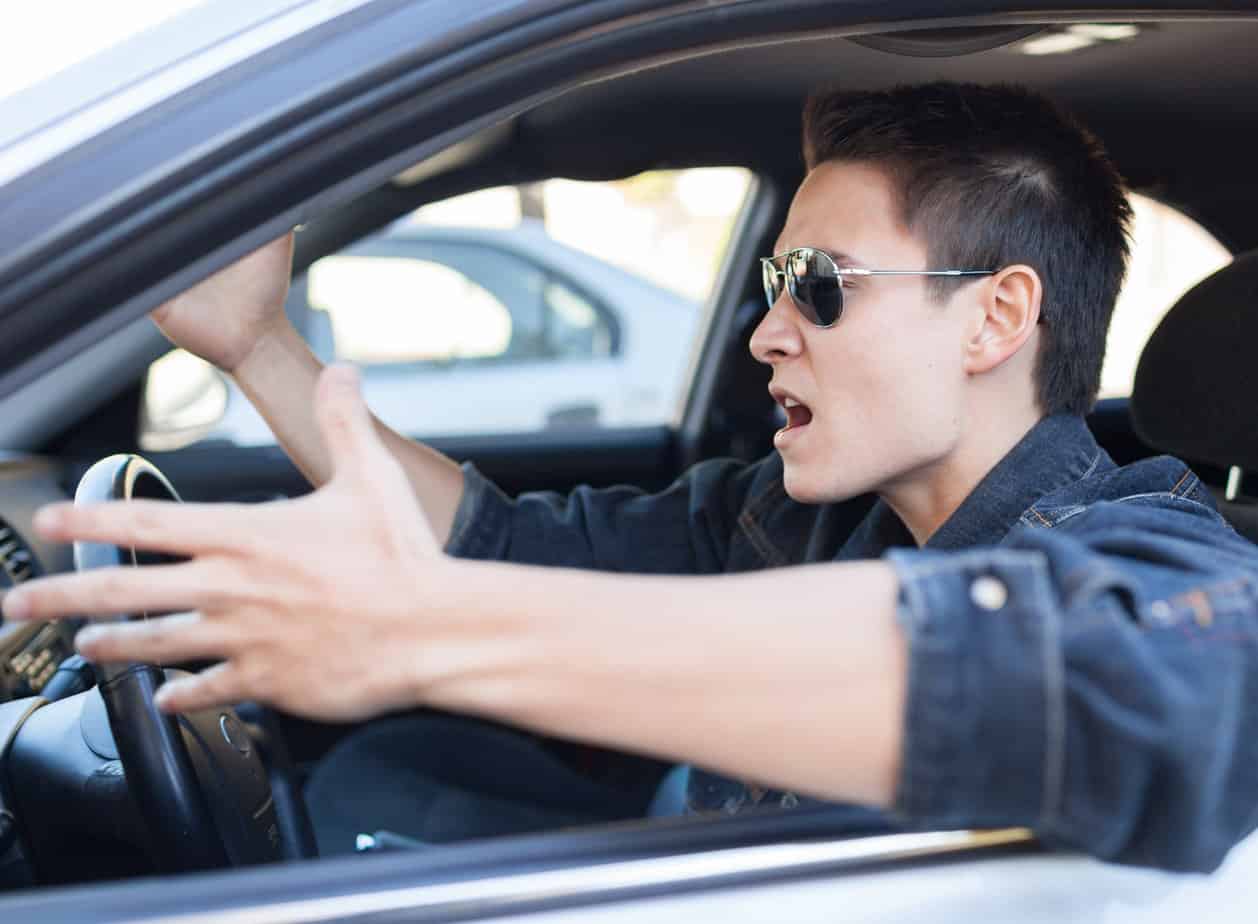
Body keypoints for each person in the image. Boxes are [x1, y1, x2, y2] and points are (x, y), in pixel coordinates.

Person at [5, 81, 1258, 872]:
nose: (769, 333)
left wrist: (429, 634)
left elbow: (1124, 682)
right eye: (772, 286)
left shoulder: (1160, 554)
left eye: (819, 287)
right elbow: (497, 548)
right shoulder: (795, 517)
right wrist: (254, 349)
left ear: (995, 322)